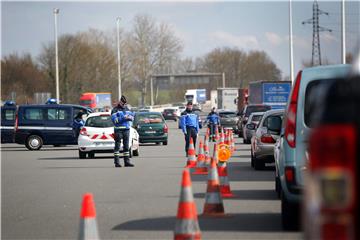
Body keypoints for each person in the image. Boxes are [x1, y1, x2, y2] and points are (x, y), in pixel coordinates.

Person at [111, 95, 134, 168]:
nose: (124, 105)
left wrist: (130, 117)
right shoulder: (115, 110)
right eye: (123, 103)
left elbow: (132, 117)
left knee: (126, 147)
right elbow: (115, 121)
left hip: (126, 130)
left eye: (125, 103)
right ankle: (117, 162)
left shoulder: (127, 109)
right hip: (118, 130)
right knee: (117, 146)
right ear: (120, 101)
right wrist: (124, 118)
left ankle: (127, 162)